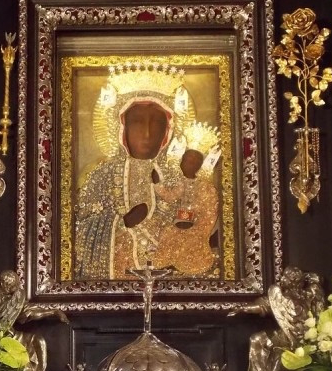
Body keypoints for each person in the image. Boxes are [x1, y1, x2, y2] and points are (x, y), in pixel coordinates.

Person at [73, 63, 221, 280]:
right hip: (118, 278)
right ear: (122, 127)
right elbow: (78, 232)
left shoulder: (178, 175)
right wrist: (122, 222)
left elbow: (203, 221)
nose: (147, 133)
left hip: (172, 275)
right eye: (137, 122)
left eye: (157, 123)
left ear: (168, 130)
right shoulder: (103, 176)